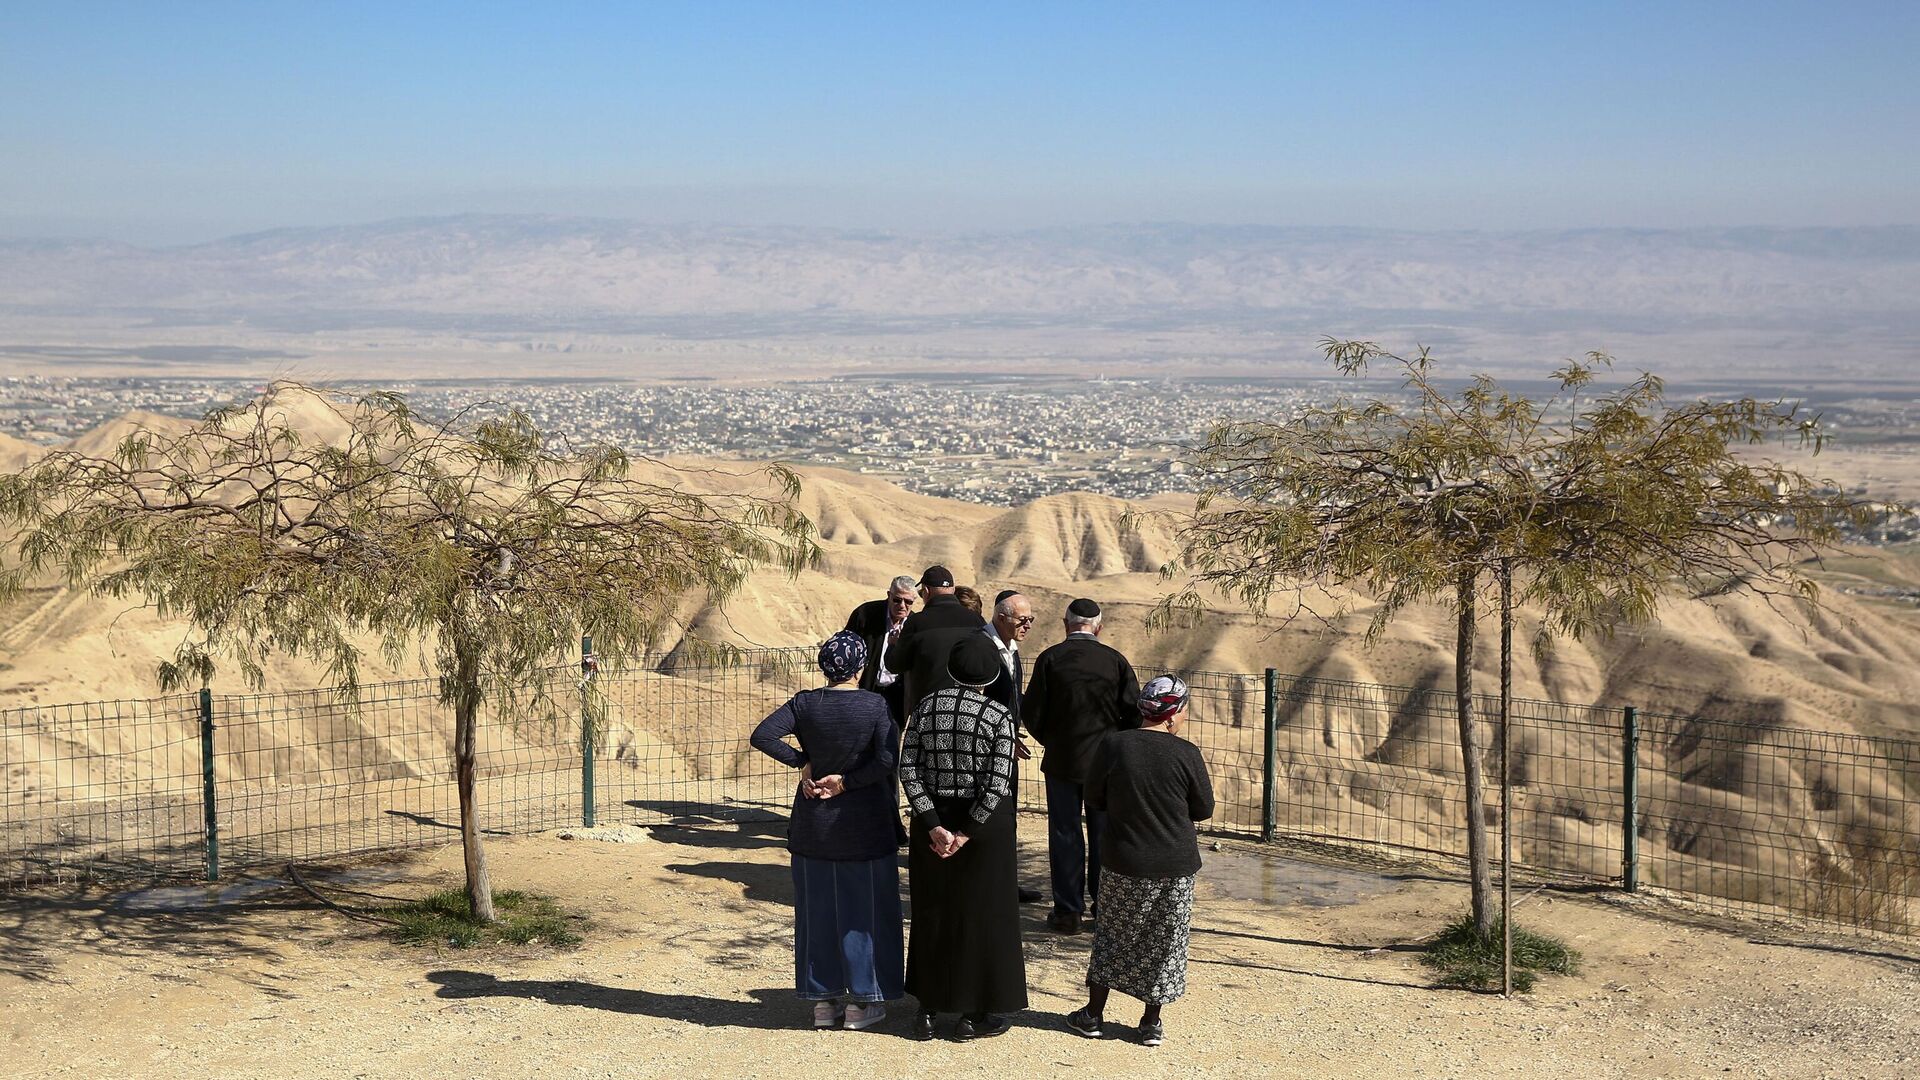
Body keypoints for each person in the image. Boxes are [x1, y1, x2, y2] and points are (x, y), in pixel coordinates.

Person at [749, 631, 905, 1032]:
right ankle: (863, 1002)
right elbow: (887, 760)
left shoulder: (804, 703)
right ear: (860, 666)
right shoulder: (874, 705)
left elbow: (762, 735)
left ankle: (823, 1002)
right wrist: (847, 782)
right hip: (866, 828)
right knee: (866, 916)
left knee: (817, 915)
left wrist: (804, 762)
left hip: (813, 827)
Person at [1066, 675, 1214, 1047]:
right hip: (1175, 863)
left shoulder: (1114, 745)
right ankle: (1150, 1023)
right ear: (1174, 714)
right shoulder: (1187, 753)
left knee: (1113, 935)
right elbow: (1203, 808)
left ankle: (1093, 1015)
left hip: (1124, 859)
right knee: (1165, 940)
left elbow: (1094, 797)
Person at [898, 634, 1027, 1041]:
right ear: (992, 675)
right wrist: (967, 832)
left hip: (933, 823)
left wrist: (933, 824)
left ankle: (928, 1009)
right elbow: (998, 782)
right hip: (983, 828)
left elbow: (909, 769)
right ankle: (974, 1014)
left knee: (933, 911)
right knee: (983, 915)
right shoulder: (998, 716)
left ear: (951, 669)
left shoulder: (925, 707)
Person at [1021, 597, 1141, 934]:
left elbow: (1032, 712)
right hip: (1106, 765)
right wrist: (1115, 746)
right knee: (1104, 834)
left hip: (1062, 762)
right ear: (1099, 628)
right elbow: (1134, 713)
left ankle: (1067, 912)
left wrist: (1054, 740)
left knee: (1065, 834)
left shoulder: (1050, 659)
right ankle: (1105, 908)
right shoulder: (1116, 661)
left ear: (1065, 624)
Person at [981, 590, 1043, 905]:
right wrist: (1000, 738)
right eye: (1022, 620)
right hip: (985, 752)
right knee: (988, 815)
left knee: (1007, 816)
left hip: (1007, 747)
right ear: (1001, 617)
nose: (1027, 625)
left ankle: (1005, 883)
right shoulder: (981, 648)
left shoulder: (1012, 650)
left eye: (1030, 619)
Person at [884, 565, 987, 718]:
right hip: (968, 711)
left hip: (929, 712)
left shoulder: (917, 622)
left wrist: (893, 645)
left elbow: (895, 665)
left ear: (926, 591)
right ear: (952, 590)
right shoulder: (977, 621)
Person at [843, 575, 918, 727]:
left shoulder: (916, 624)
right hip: (865, 690)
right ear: (889, 595)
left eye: (908, 602)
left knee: (890, 739)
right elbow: (846, 649)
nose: (902, 606)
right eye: (897, 600)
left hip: (898, 696)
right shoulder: (865, 615)